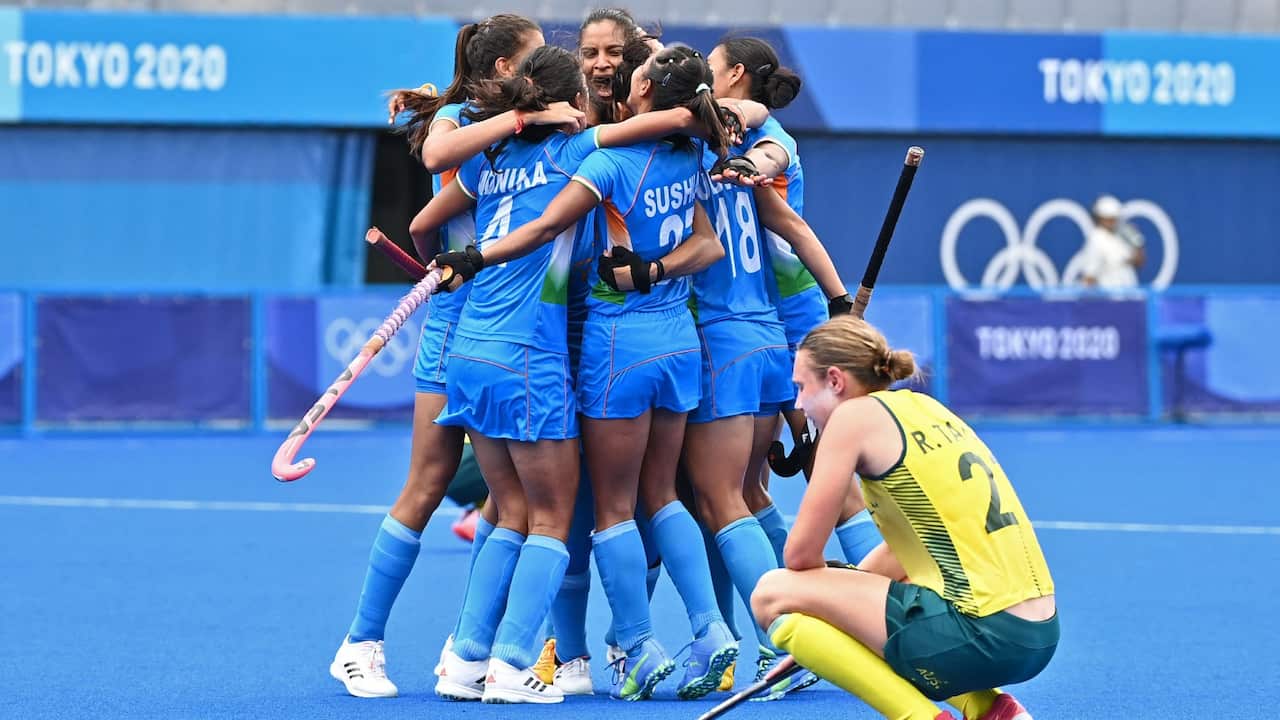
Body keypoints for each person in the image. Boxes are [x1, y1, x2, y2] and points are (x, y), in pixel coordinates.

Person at [476, 43, 740, 701]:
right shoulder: (691, 157)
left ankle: (639, 644)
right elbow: (708, 245)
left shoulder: (607, 162)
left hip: (619, 344)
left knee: (614, 508)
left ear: (645, 91)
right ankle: (711, 630)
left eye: (636, 71)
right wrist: (656, 269)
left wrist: (475, 255)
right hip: (679, 341)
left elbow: (541, 230)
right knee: (664, 495)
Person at [328, 13, 546, 700]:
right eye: (535, 58)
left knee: (503, 495)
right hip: (458, 326)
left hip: (513, 327)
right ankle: (360, 643)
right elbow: (435, 157)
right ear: (506, 68)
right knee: (430, 484)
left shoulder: (523, 120)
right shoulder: (464, 120)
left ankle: (467, 642)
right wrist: (438, 268)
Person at [751, 315, 1059, 720]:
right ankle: (992, 710)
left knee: (771, 592)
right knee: (907, 582)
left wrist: (821, 616)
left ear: (835, 381)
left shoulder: (851, 419)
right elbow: (905, 549)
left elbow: (801, 558)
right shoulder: (924, 407)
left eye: (802, 387)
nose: (799, 405)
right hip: (1038, 634)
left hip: (985, 634)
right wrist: (831, 616)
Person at [1075, 194, 1145, 290]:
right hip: (1111, 301)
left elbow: (1139, 262)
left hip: (1130, 297)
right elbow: (1089, 277)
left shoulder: (1120, 236)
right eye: (1109, 219)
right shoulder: (1096, 240)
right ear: (1100, 218)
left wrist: (1138, 243)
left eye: (1115, 218)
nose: (1113, 222)